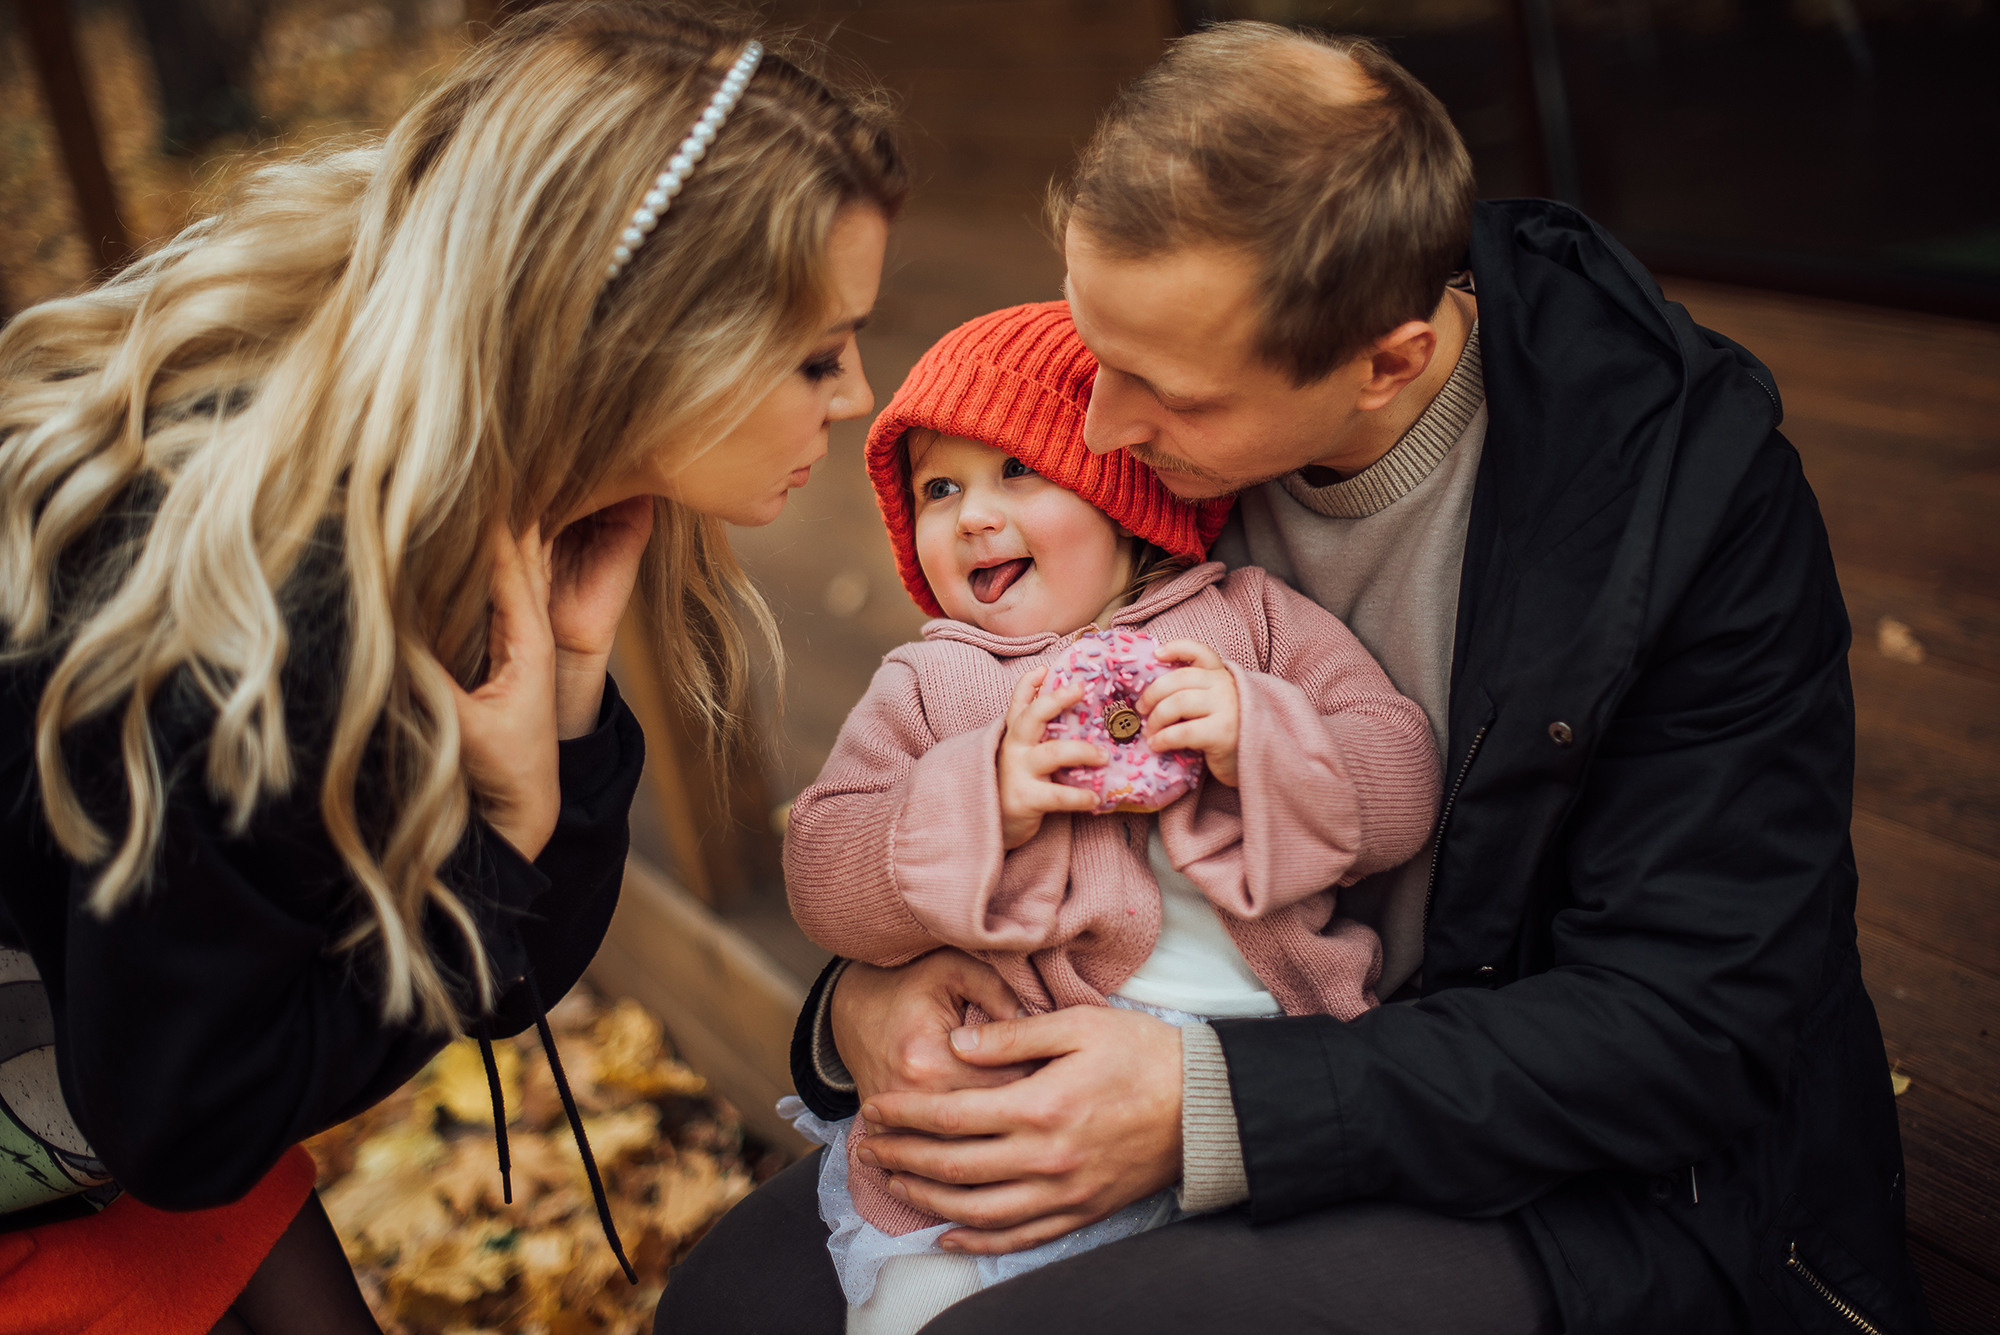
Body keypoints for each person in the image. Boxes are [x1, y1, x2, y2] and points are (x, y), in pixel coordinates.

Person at [664, 21, 1930, 1335]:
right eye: (1098, 359)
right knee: (731, 1305)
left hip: (1566, 1162)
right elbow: (892, 808)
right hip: (1128, 1024)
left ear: (1388, 360)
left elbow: (1685, 1023)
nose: (1095, 434)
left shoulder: (1685, 509)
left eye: (1165, 392)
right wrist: (862, 1005)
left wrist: (1204, 1105)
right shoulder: (1131, 482)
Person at [0, 4, 906, 1331]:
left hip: (138, 1055)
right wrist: (511, 838)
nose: (858, 395)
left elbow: (507, 976)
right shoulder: (269, 622)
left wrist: (574, 709)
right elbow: (182, 1124)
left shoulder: (472, 503)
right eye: (818, 350)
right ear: (641, 335)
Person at [780, 301, 1440, 1334]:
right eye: (937, 489)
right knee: (924, 1307)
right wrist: (978, 795)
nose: (970, 515)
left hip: (1269, 1067)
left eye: (1015, 472)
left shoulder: (1243, 621)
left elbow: (1399, 782)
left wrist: (1256, 732)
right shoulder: (929, 684)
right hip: (1021, 1101)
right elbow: (823, 871)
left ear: (1115, 496)